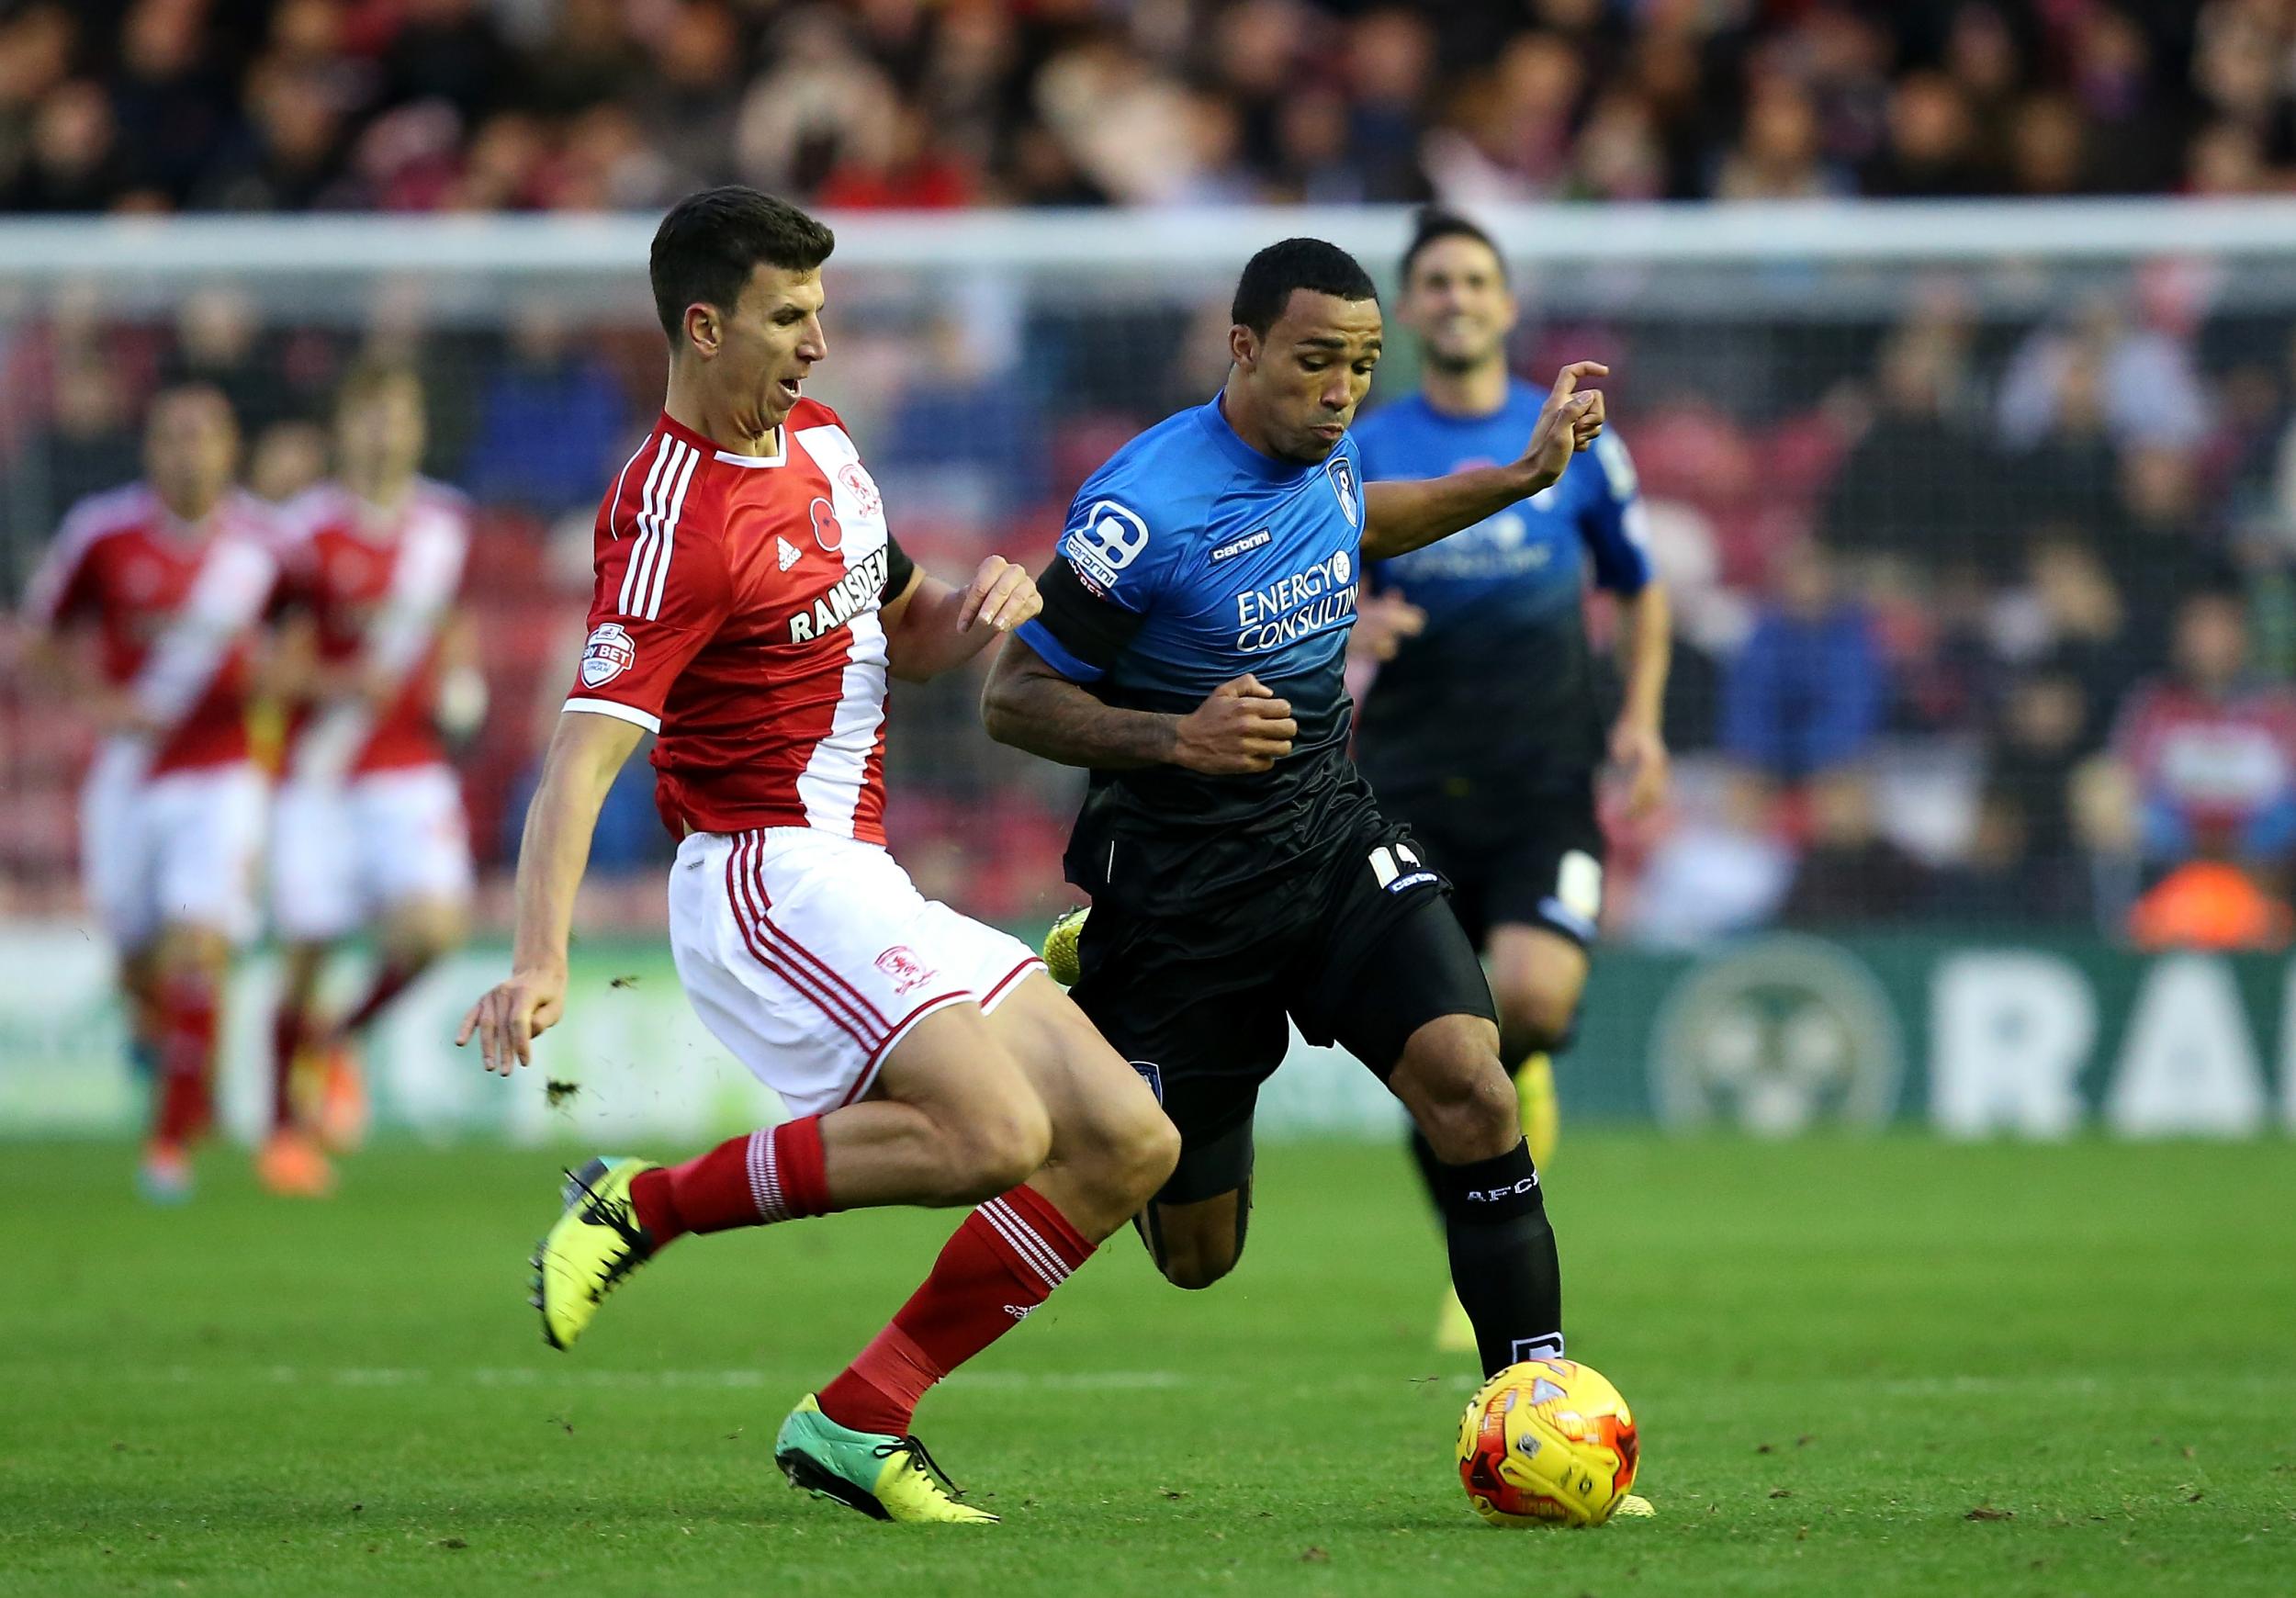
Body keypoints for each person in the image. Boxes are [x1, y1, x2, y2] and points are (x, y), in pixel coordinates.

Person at [456, 186, 1176, 1525]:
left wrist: (979, 608)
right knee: (997, 1133)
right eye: (791, 317)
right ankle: (640, 1204)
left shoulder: (832, 448)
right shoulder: (669, 518)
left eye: (823, 313)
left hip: (860, 870)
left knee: (1129, 1142)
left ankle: (861, 1416)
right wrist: (539, 960)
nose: (819, 343)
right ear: (706, 324)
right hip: (761, 875)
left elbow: (904, 626)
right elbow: (580, 757)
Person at [984, 240, 1642, 1525]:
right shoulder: (1146, 509)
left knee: (1470, 1080)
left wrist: (1519, 476)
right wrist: (1176, 737)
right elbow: (1015, 697)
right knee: (1197, 1258)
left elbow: (1360, 520)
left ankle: (1538, 1405)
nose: (1342, 389)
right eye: (1315, 361)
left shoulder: (1325, 451)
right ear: (1242, 350)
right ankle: (1098, 1002)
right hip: (1184, 893)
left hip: (1332, 840)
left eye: (1361, 366)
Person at [1345, 209, 1671, 1355]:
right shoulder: (1367, 447)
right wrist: (1354, 619)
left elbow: (1638, 584)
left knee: (1526, 1007)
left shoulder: (1575, 437)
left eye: (1474, 279)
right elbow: (1302, 585)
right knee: (1440, 1047)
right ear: (1406, 307)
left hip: (1542, 777)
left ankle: (1502, 1093)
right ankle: (1473, 1256)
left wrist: (1638, 719)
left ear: (1506, 301)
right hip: (1405, 783)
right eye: (1433, 281)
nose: (1455, 297)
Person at [17, 385, 276, 1201]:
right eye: (172, 437)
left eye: (203, 436)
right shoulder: (102, 533)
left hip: (222, 772)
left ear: (229, 448)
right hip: (127, 775)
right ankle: (174, 1051)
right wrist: (98, 703)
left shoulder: (265, 546)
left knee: (199, 943)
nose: (188, 452)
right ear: (150, 449)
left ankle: (169, 1144)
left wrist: (278, 682)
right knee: (135, 956)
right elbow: (39, 637)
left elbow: (312, 634)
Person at [261, 362, 485, 1198]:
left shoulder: (445, 527)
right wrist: (334, 686)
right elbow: (261, 664)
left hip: (407, 766)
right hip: (317, 773)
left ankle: (335, 1040)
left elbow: (452, 623)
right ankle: (285, 1133)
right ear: (344, 428)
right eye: (371, 416)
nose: (385, 432)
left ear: (418, 428)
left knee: (434, 931)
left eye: (400, 415)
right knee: (308, 949)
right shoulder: (302, 533)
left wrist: (463, 680)